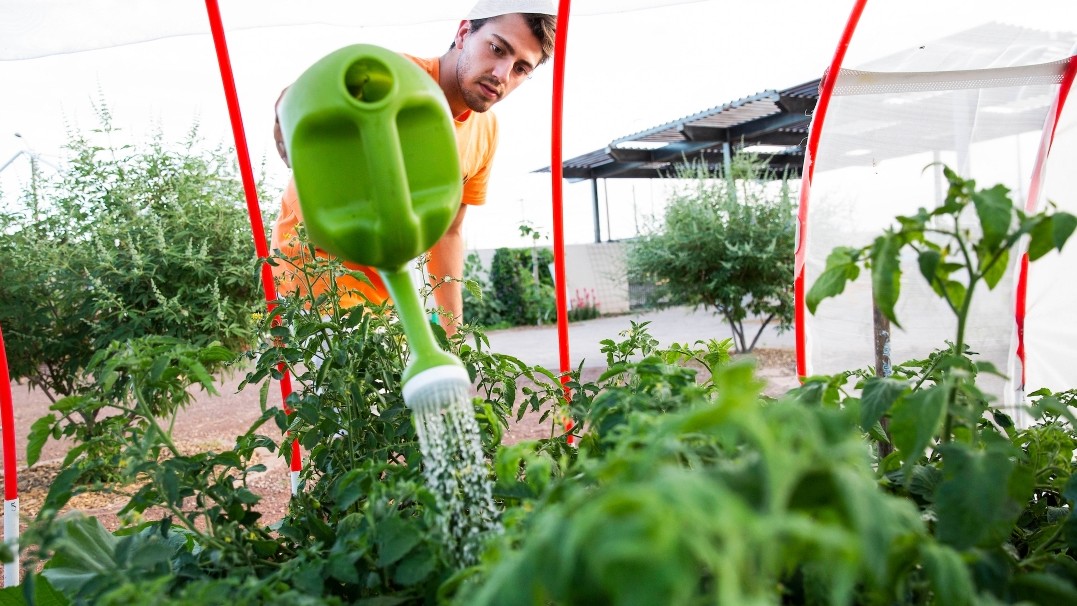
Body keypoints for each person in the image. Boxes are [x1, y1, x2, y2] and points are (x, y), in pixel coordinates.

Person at [270, 0, 558, 336]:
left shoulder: (486, 131)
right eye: (496, 48)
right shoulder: (394, 76)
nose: (502, 75)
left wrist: (452, 331)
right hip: (316, 269)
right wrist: (285, 106)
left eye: (521, 68)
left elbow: (449, 232)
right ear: (464, 33)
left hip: (388, 286)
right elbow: (314, 90)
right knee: (368, 382)